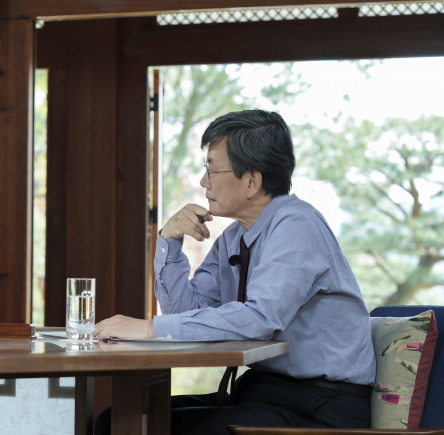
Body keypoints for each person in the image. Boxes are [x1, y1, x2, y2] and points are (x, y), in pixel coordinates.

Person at [94, 109, 375, 435]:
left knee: (160, 428)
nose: (203, 182)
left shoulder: (297, 226)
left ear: (252, 181)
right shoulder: (234, 236)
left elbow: (260, 319)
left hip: (321, 407)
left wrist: (149, 328)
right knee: (114, 421)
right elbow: (188, 313)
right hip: (260, 392)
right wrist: (169, 242)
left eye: (211, 169)